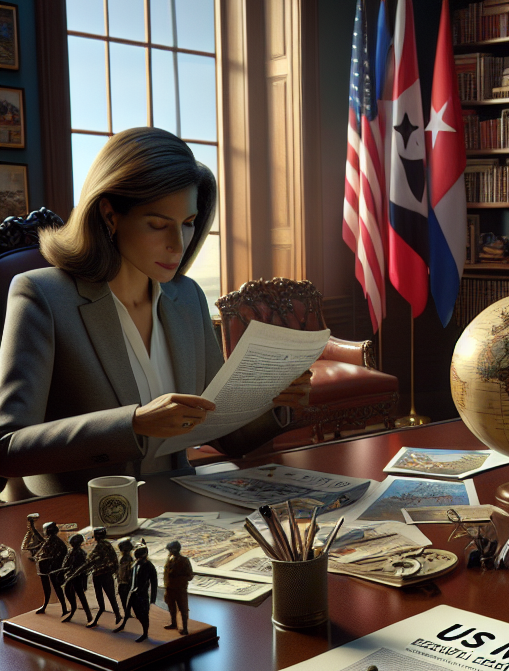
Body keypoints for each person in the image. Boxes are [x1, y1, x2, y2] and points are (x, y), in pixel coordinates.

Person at [0, 127, 311, 498]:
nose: (177, 244)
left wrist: (272, 401)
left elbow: (223, 433)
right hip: (83, 516)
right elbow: (8, 448)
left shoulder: (188, 297)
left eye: (188, 223)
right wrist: (133, 424)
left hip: (180, 507)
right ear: (110, 215)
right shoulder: (41, 295)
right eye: (158, 224)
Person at [162, 540, 193, 635]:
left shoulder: (184, 560)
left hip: (180, 589)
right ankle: (173, 623)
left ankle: (185, 628)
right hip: (170, 588)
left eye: (170, 550)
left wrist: (179, 579)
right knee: (171, 607)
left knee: (183, 609)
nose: (169, 552)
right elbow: (166, 574)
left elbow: (190, 576)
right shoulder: (169, 559)